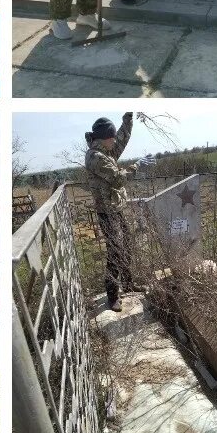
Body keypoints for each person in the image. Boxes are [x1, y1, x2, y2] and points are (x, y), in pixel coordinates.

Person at [84, 112, 136, 311]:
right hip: (107, 212)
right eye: (112, 137)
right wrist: (137, 166)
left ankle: (129, 284)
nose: (115, 139)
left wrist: (128, 121)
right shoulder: (96, 157)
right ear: (105, 138)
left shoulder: (107, 151)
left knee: (126, 246)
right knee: (115, 253)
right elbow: (117, 178)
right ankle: (112, 296)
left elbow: (122, 139)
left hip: (116, 208)